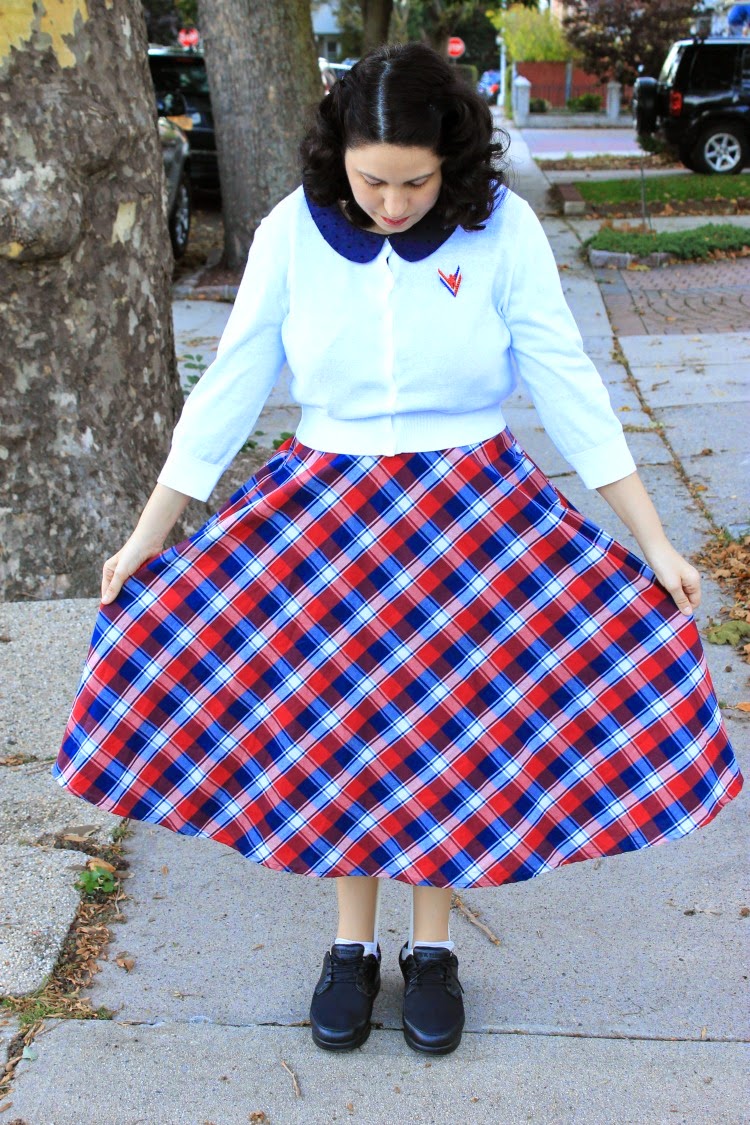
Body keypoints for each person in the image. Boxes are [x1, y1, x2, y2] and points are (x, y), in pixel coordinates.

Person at [52, 42, 743, 1058]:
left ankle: (431, 951)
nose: (391, 201)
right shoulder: (292, 231)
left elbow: (567, 385)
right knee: (341, 725)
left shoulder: (502, 233)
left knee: (445, 729)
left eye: (415, 181)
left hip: (470, 512)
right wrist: (146, 533)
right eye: (372, 178)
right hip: (327, 514)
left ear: (451, 161)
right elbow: (231, 385)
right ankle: (348, 949)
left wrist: (652, 539)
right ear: (340, 158)